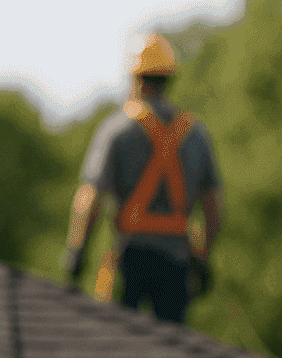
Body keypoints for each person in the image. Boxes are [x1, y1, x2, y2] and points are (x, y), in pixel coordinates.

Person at [64, 33, 223, 324]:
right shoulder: (196, 134)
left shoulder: (116, 131)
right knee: (174, 349)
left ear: (135, 80)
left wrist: (77, 256)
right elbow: (213, 206)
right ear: (169, 79)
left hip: (130, 258)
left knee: (123, 347)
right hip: (176, 260)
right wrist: (203, 258)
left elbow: (90, 198)